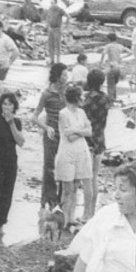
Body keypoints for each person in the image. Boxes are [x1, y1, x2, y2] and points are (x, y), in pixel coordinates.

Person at [0, 93, 25, 244]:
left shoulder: (17, 122)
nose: (6, 107)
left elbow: (20, 142)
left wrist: (11, 123)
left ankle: (0, 224)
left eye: (10, 104)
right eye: (4, 104)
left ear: (14, 107)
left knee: (7, 195)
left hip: (10, 162)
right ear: (0, 105)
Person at [55, 85, 92, 225]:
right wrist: (82, 130)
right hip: (67, 152)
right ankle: (64, 218)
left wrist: (76, 131)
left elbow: (89, 131)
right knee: (67, 188)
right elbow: (68, 136)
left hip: (80, 151)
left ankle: (71, 217)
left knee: (76, 186)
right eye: (81, 96)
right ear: (76, 98)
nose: (83, 99)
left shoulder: (82, 112)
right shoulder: (63, 113)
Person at [33, 63, 68, 208]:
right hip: (51, 135)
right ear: (58, 76)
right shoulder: (46, 94)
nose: (66, 78)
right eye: (64, 75)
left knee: (63, 167)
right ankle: (49, 199)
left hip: (65, 135)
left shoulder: (66, 92)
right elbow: (34, 117)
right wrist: (46, 127)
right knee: (49, 167)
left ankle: (59, 199)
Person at [82, 69, 110, 218]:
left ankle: (86, 214)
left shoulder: (87, 100)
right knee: (94, 177)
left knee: (86, 179)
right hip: (100, 139)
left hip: (87, 141)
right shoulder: (106, 98)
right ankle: (92, 212)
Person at [101, 38, 125, 104]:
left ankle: (111, 102)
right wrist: (123, 57)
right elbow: (130, 52)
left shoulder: (108, 46)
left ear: (109, 39)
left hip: (111, 67)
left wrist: (101, 62)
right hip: (118, 68)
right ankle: (114, 98)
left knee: (110, 85)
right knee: (114, 84)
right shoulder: (120, 46)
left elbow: (103, 53)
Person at [46, 0, 67, 66]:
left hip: (57, 29)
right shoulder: (49, 10)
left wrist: (65, 25)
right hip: (51, 29)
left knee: (57, 45)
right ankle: (52, 60)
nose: (52, 4)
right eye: (51, 3)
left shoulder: (60, 10)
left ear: (56, 3)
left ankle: (58, 61)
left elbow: (68, 16)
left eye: (53, 3)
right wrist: (48, 26)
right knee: (50, 45)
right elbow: (48, 18)